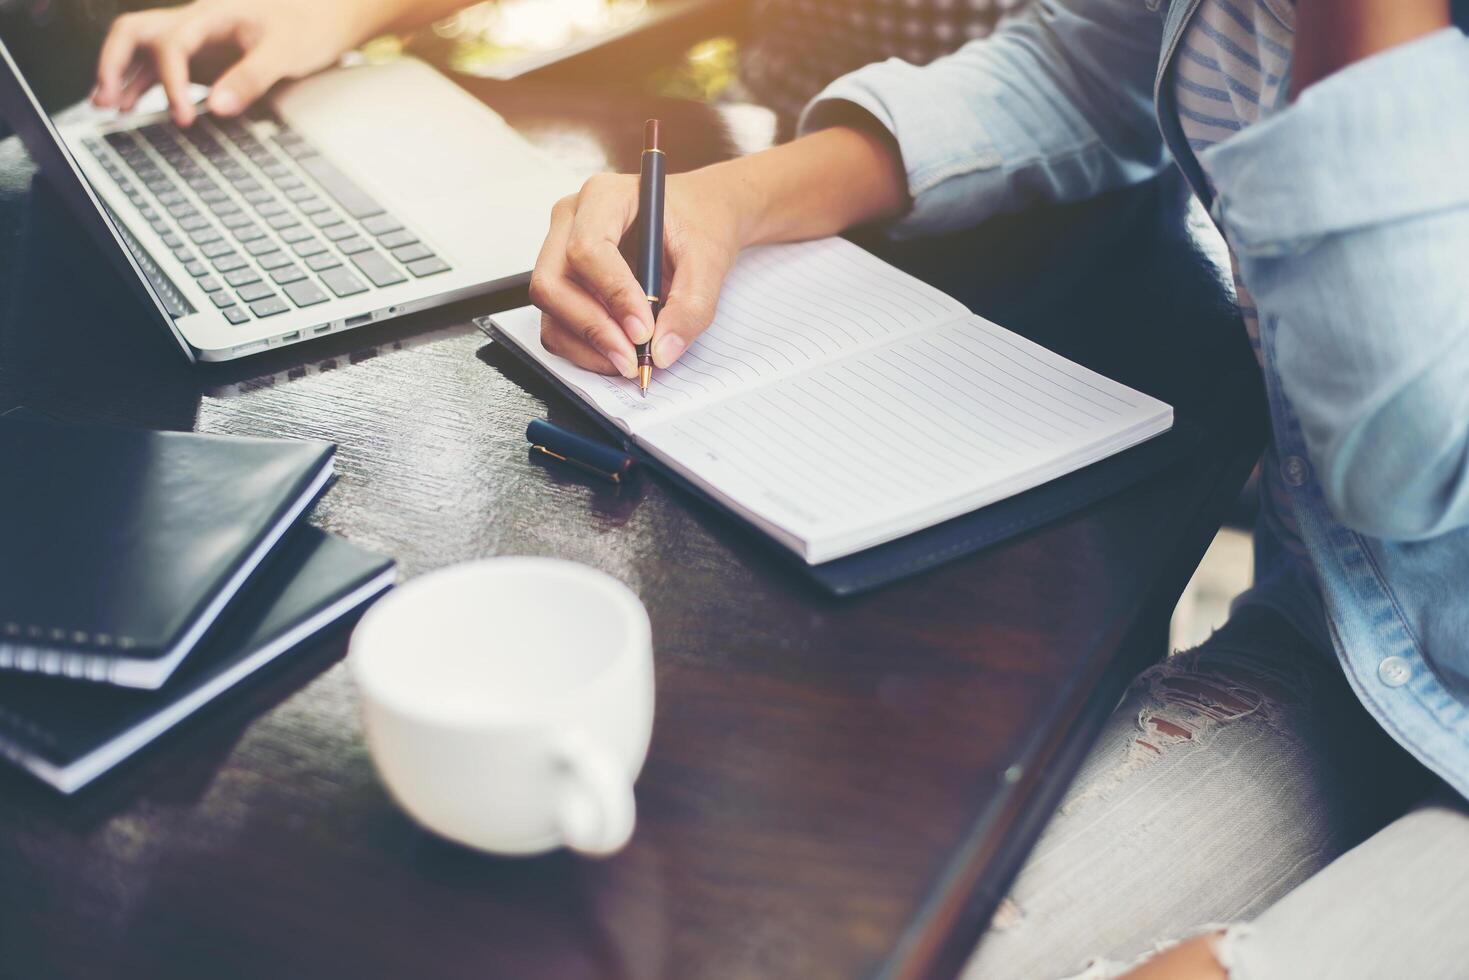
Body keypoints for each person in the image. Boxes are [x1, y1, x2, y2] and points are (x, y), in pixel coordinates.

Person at [527, 1, 1469, 977]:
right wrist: (734, 200)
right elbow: (1085, 65)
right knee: (909, 938)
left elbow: (1393, 467)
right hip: (1343, 634)